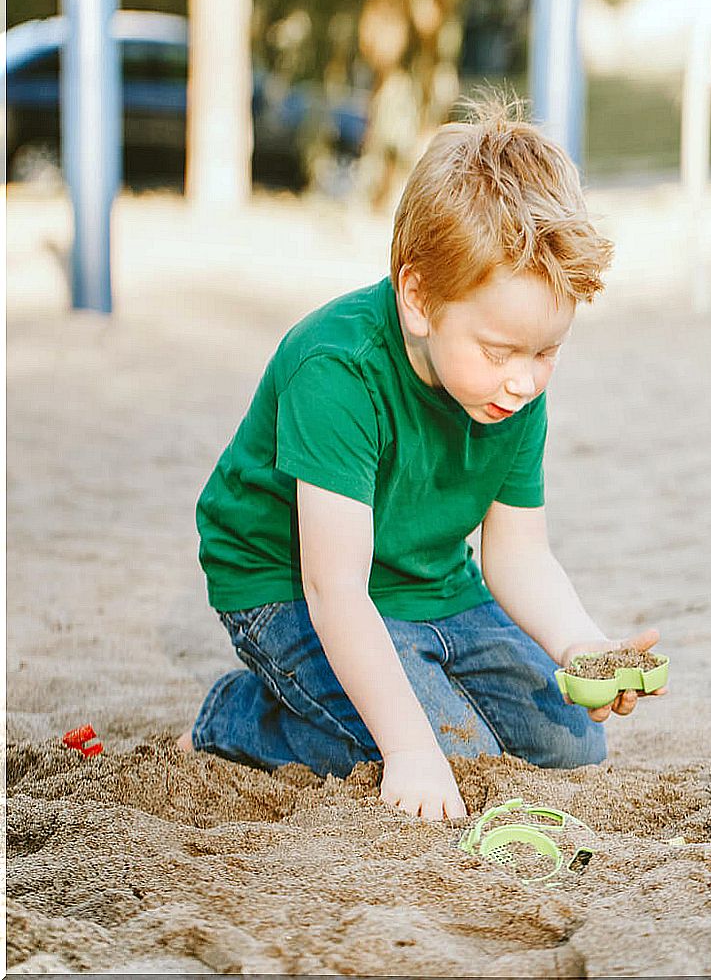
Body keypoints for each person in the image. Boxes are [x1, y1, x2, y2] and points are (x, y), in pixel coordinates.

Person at [180, 96, 659, 821]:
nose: (525, 378)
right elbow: (334, 587)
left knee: (569, 744)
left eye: (546, 352)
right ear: (418, 299)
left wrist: (582, 644)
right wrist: (409, 749)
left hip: (429, 582)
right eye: (501, 351)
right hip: (289, 582)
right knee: (442, 751)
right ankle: (242, 713)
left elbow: (520, 554)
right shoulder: (337, 369)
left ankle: (394, 689)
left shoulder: (511, 388)